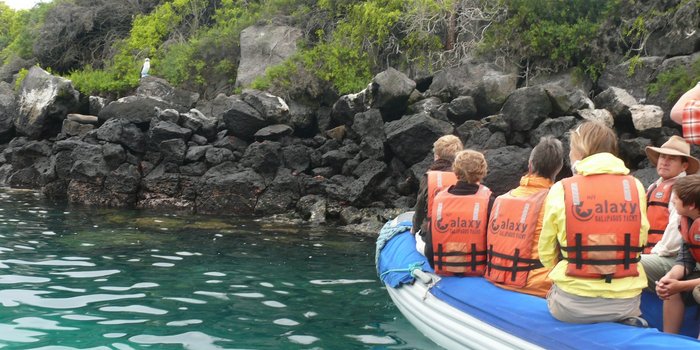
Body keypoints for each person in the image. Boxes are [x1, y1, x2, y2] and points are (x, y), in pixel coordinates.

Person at [539, 121, 650, 325]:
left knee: (552, 295)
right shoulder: (635, 186)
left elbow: (546, 251)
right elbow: (641, 237)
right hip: (625, 302)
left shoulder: (562, 188)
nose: (569, 155)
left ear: (581, 151)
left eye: (571, 149)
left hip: (572, 304)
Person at [485, 136, 564, 297]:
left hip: (497, 280)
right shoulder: (556, 203)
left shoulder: (500, 200)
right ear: (559, 168)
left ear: (529, 165)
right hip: (539, 289)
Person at [641, 136, 700, 292]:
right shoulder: (655, 186)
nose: (664, 161)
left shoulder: (682, 192)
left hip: (668, 255)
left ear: (684, 166)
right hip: (659, 254)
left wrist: (652, 253)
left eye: (671, 159)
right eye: (662, 156)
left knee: (627, 265)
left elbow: (675, 237)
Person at [428, 149, 493, 276]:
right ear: (482, 172)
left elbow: (429, 248)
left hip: (444, 269)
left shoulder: (439, 200)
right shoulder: (489, 201)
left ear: (455, 172)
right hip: (478, 270)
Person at [656, 174, 700, 334]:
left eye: (677, 197)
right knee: (670, 288)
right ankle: (669, 338)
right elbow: (685, 260)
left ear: (691, 205)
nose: (673, 200)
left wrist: (681, 285)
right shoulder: (688, 220)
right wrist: (670, 278)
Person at [413, 135, 463, 254]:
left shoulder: (429, 178)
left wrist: (414, 228)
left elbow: (420, 210)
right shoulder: (467, 178)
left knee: (416, 236)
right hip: (462, 237)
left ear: (437, 156)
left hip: (433, 239)